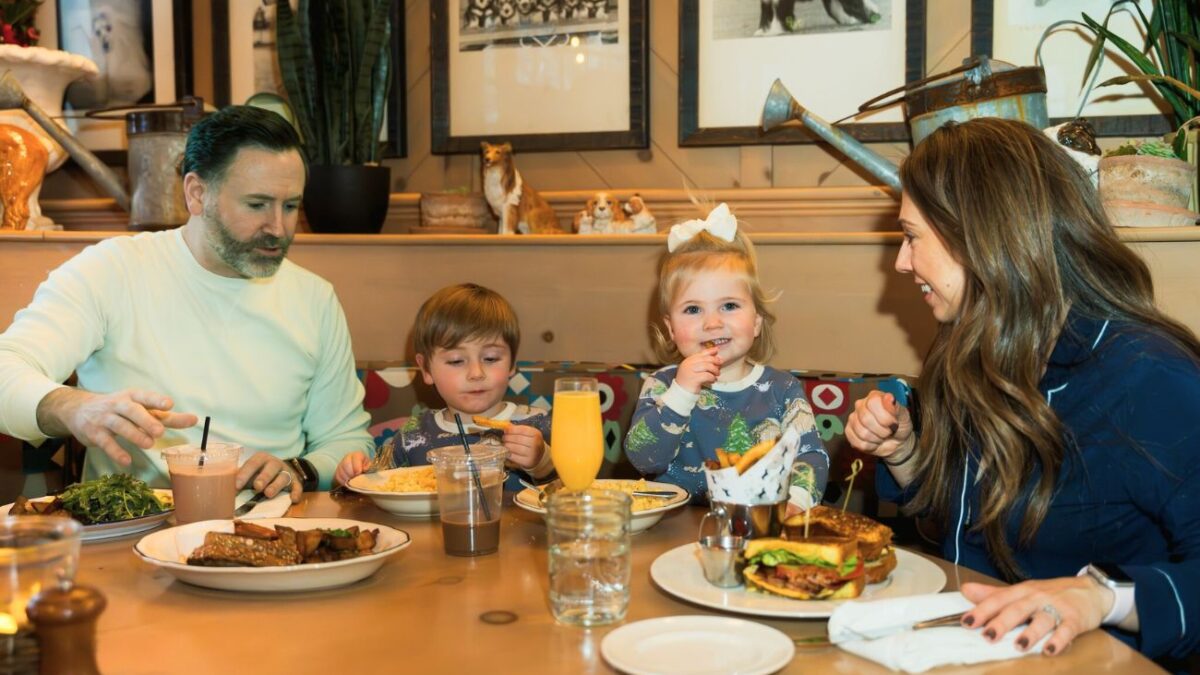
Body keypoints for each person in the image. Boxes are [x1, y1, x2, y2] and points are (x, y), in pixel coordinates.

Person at [845, 118, 1199, 664]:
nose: (900, 261)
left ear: (981, 233)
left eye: (912, 236)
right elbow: (965, 528)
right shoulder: (974, 350)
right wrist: (906, 453)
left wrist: (1101, 597)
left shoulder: (1153, 378)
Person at [0, 105, 373, 500]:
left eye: (291, 206)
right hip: (135, 529)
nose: (278, 228)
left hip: (274, 534)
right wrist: (73, 407)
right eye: (257, 205)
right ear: (197, 193)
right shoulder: (111, 270)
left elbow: (348, 441)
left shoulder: (314, 298)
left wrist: (301, 469)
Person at [625, 203, 828, 506]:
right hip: (675, 529)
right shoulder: (662, 386)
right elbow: (644, 460)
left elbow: (812, 456)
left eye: (729, 306)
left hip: (758, 529)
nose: (712, 323)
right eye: (693, 309)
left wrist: (795, 503)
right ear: (670, 328)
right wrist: (681, 394)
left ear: (756, 321)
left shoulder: (782, 389)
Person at [334, 283, 554, 488]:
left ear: (512, 363)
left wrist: (542, 462)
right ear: (427, 369)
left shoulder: (539, 426)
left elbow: (580, 490)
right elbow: (378, 482)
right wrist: (356, 471)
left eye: (491, 358)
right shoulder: (412, 435)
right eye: (456, 361)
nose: (476, 373)